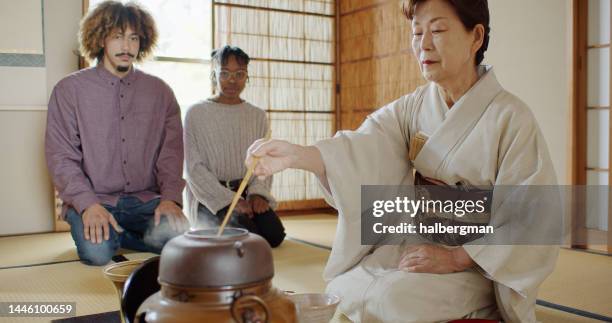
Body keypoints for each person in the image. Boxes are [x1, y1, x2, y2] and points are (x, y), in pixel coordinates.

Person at [247, 0, 559, 321]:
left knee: (393, 300)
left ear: (475, 37)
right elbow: (365, 147)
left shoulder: (511, 118)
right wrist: (300, 155)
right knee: (345, 287)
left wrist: (458, 258)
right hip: (416, 243)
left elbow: (536, 217)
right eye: (416, 32)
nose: (423, 44)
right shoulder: (414, 107)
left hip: (478, 261)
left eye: (437, 30)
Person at [45, 0, 188, 266]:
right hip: (95, 198)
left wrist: (170, 200)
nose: (127, 47)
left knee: (181, 241)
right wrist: (87, 205)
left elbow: (171, 155)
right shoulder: (69, 90)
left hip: (145, 200)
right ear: (100, 39)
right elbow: (61, 158)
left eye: (134, 38)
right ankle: (111, 234)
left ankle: (119, 236)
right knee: (97, 253)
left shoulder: (161, 92)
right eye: (118, 37)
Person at [184, 45, 286, 247]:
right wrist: (229, 199)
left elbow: (263, 160)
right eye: (225, 73)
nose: (232, 80)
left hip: (248, 192)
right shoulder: (195, 113)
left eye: (239, 74)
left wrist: (257, 194)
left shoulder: (257, 116)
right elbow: (193, 169)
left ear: (247, 76)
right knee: (248, 240)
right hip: (211, 198)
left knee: (274, 236)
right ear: (214, 75)